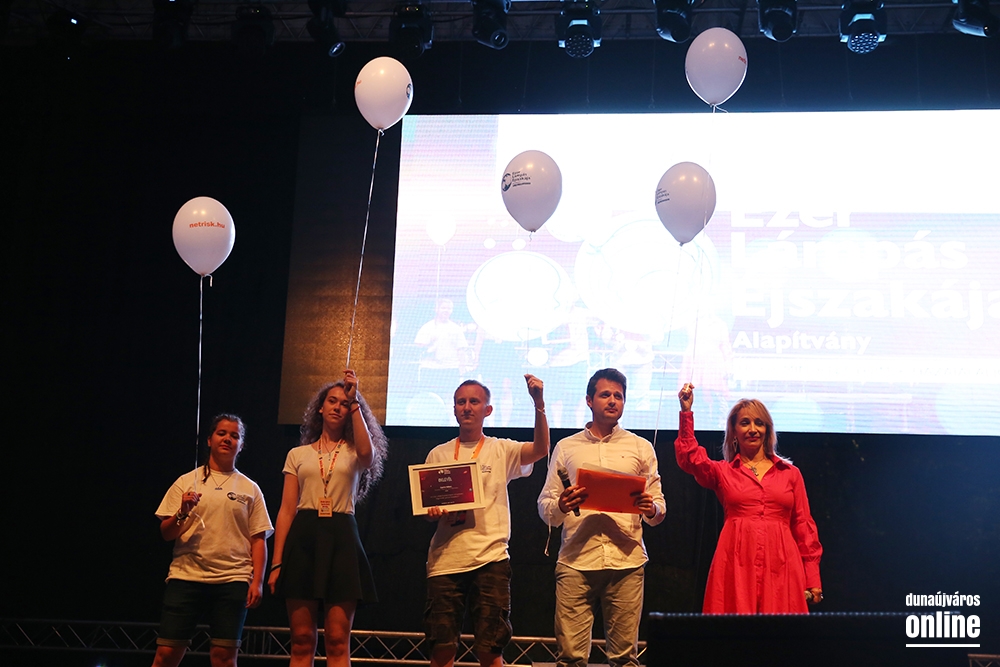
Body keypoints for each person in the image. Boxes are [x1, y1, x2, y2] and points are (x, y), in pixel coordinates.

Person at [538, 368, 666, 667]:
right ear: (589, 400)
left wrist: (651, 508)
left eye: (618, 396)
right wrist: (562, 505)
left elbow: (659, 507)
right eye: (605, 394)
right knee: (570, 658)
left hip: (627, 562)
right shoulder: (566, 447)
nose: (612, 401)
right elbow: (545, 506)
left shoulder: (640, 447)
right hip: (576, 561)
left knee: (624, 659)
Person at [423, 375, 550, 667]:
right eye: (461, 402)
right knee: (441, 650)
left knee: (491, 650)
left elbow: (541, 449)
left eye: (474, 401)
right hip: (445, 561)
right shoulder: (438, 454)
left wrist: (538, 403)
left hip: (490, 558)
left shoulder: (501, 449)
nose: (467, 407)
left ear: (488, 410)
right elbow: (428, 505)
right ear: (454, 409)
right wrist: (432, 512)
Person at [268, 370, 389, 667]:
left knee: (337, 640)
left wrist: (355, 400)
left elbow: (368, 454)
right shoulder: (297, 454)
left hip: (342, 538)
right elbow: (286, 510)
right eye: (332, 401)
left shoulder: (354, 451)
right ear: (320, 408)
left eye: (344, 403)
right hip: (303, 538)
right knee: (301, 639)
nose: (338, 407)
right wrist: (277, 563)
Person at [675, 383, 823, 613]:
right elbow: (690, 458)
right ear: (734, 431)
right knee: (735, 629)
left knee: (781, 632)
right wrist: (686, 413)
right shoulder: (724, 471)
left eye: (759, 423)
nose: (753, 429)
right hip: (736, 562)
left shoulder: (790, 473)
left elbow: (804, 526)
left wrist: (812, 577)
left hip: (782, 563)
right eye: (745, 423)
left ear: (767, 429)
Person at [152, 414, 273, 667]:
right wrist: (182, 511)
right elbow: (166, 533)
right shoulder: (186, 482)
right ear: (209, 439)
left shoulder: (250, 488)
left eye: (234, 436)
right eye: (222, 433)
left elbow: (258, 539)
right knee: (166, 654)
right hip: (186, 577)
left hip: (232, 579)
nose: (228, 439)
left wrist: (257, 582)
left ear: (241, 445)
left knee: (224, 658)